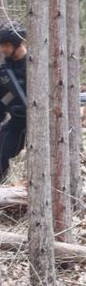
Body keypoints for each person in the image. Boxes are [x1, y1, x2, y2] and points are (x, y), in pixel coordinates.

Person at [0, 20, 28, 182]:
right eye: (1, 45)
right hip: (18, 122)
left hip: (44, 124)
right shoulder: (4, 72)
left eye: (7, 45)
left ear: (18, 44)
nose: (3, 49)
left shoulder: (36, 65)